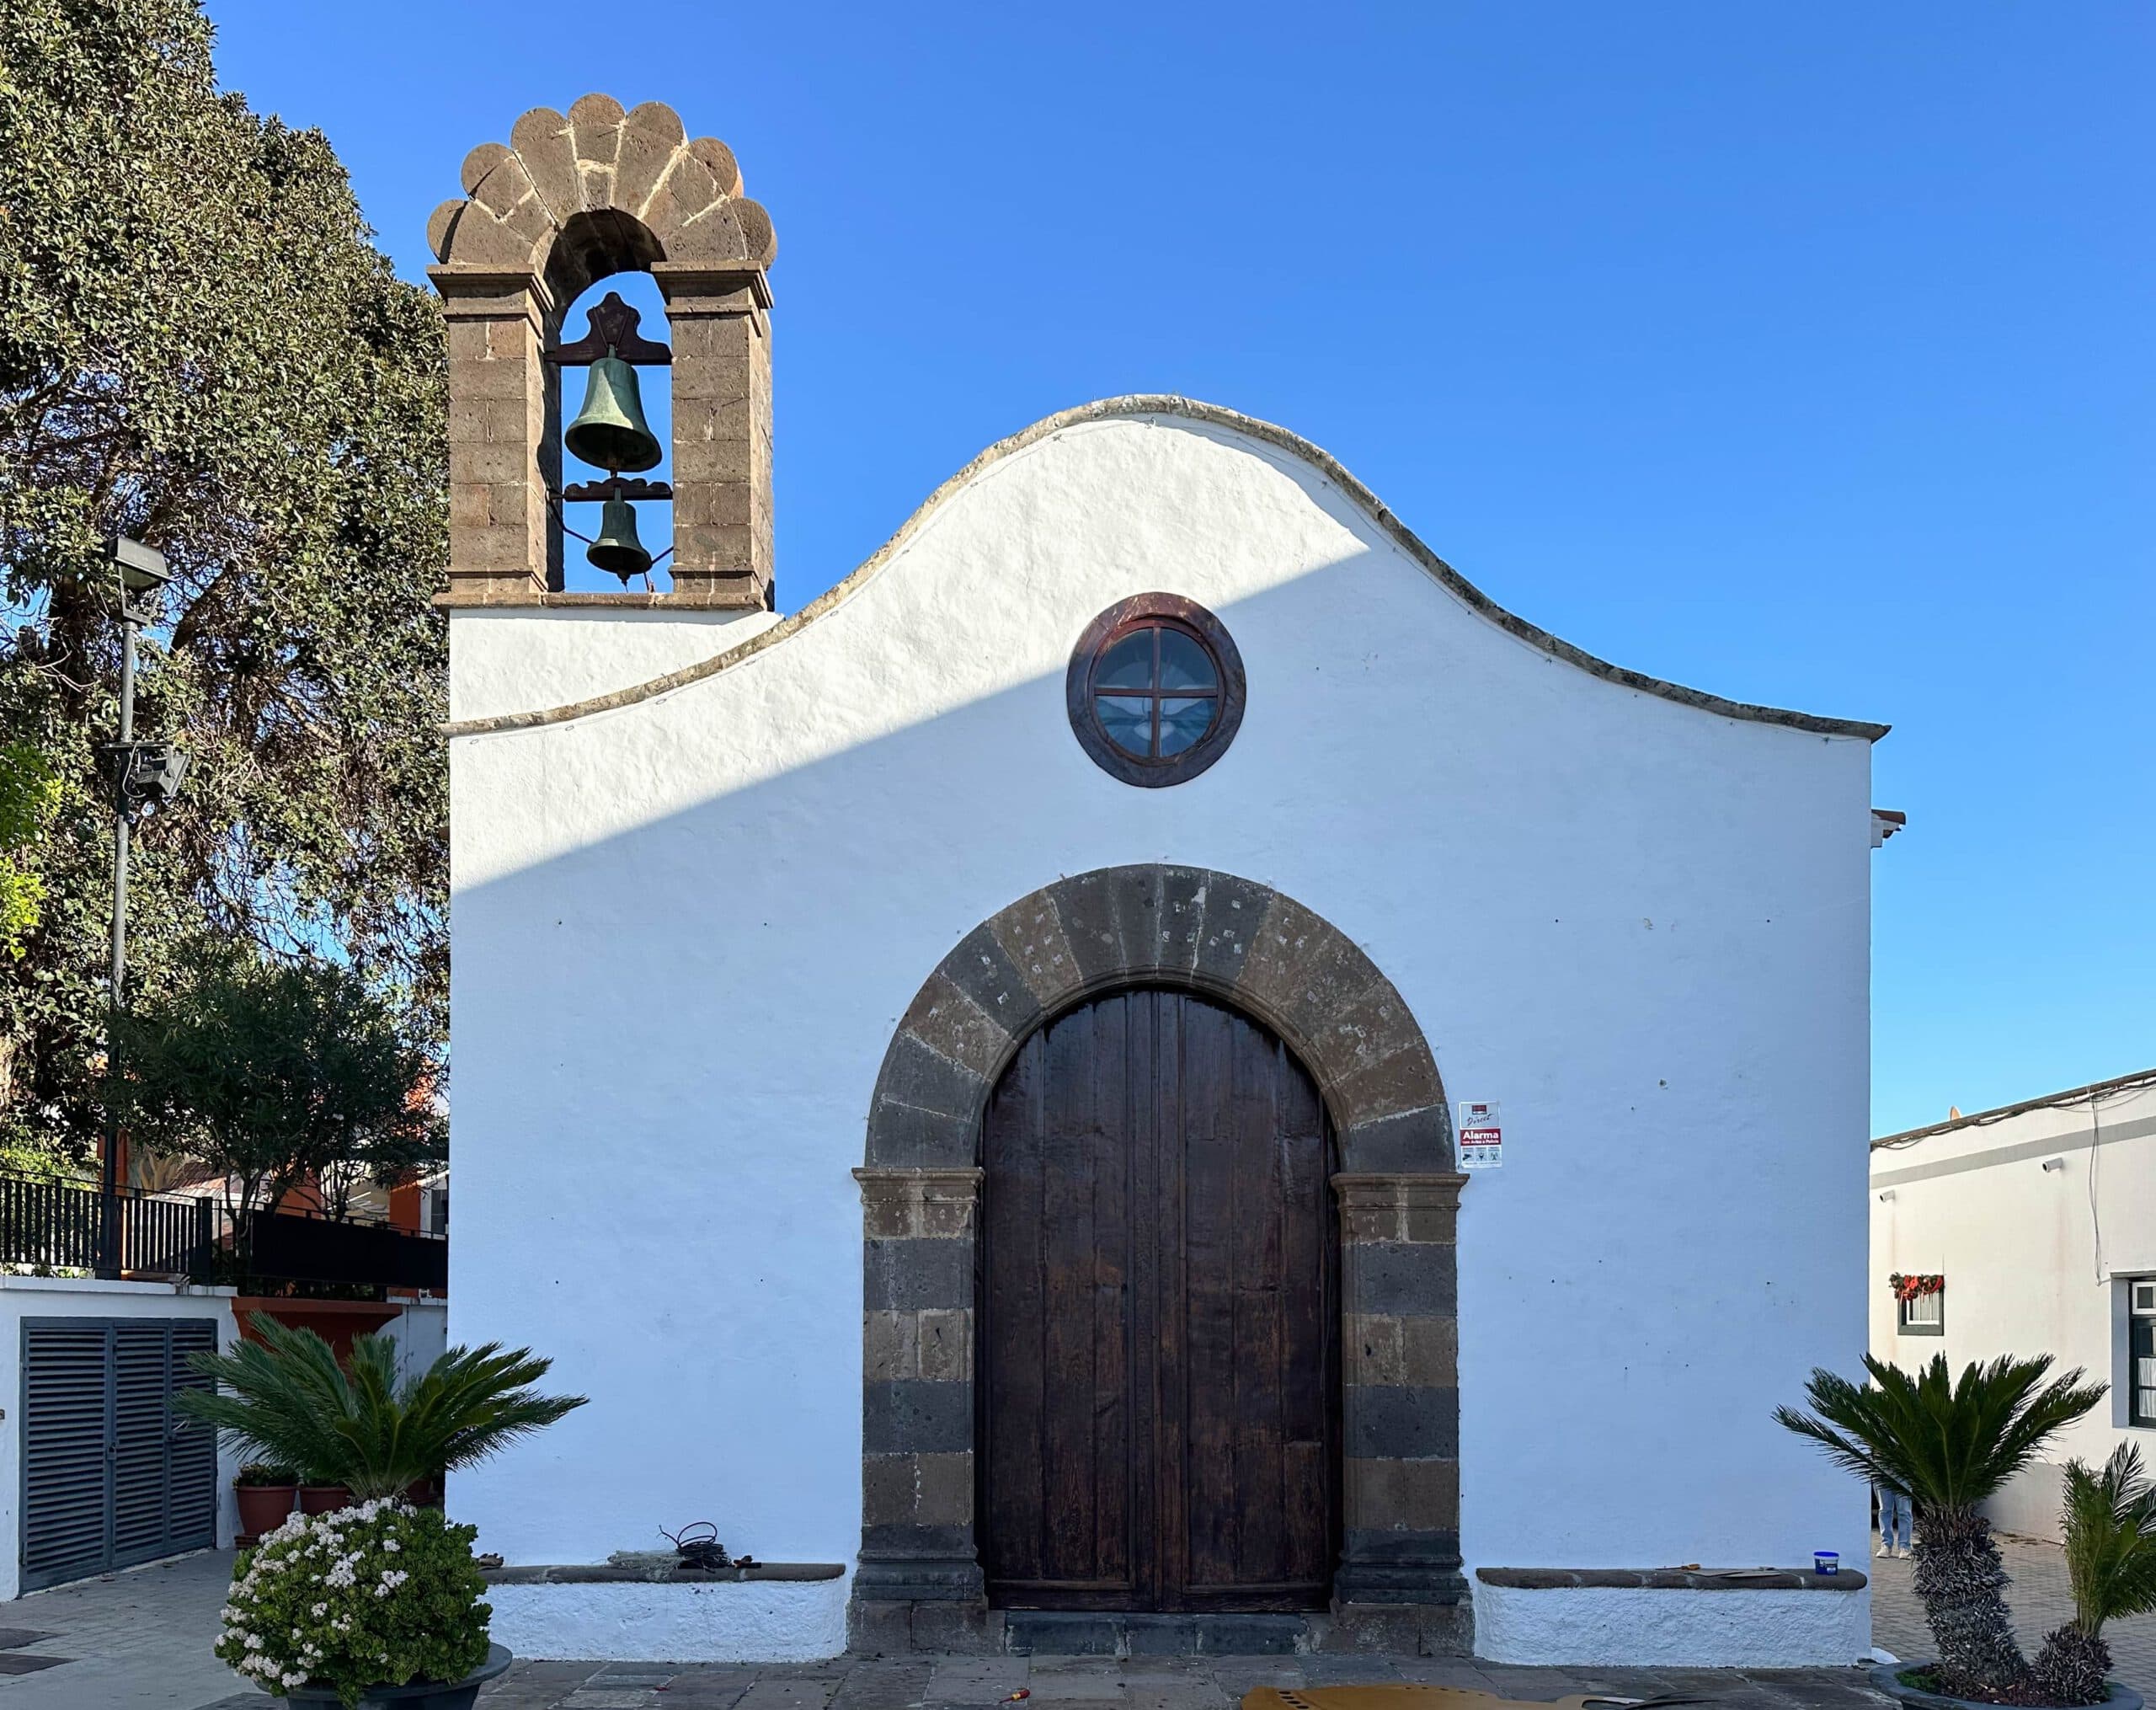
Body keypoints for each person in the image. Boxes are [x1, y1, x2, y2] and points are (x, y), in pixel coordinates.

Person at [1876, 1478, 1913, 1558]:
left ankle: (1905, 1547)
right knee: (1884, 1510)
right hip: (1882, 1473)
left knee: (1904, 1511)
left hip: (1902, 1474)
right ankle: (1886, 1545)